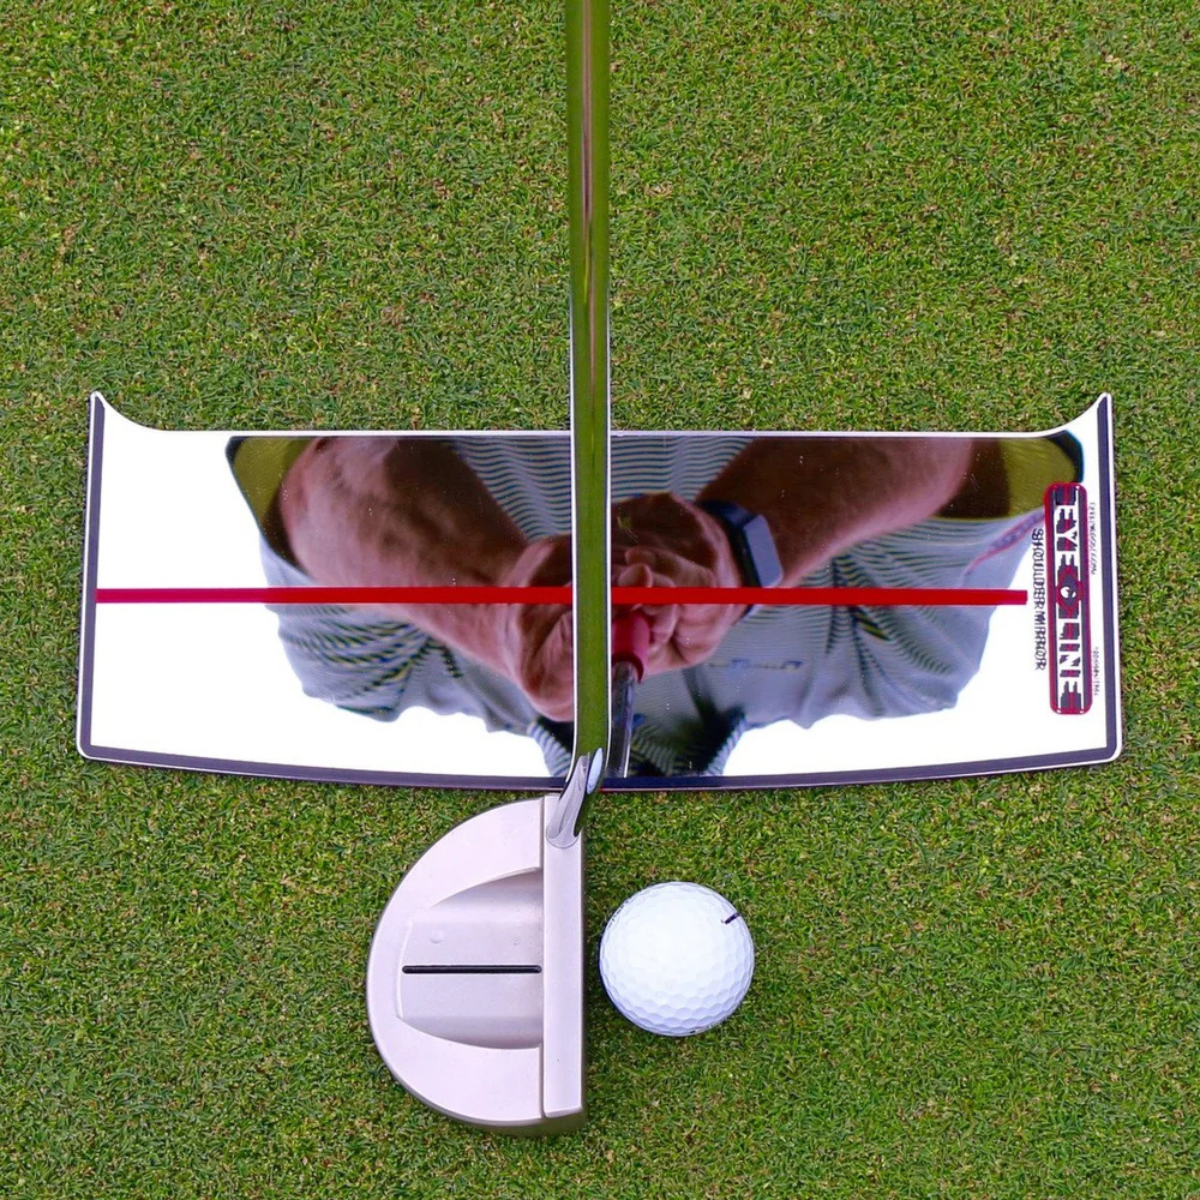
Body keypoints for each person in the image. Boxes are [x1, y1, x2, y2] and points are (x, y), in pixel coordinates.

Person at [228, 429, 1080, 777]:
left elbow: (316, 471)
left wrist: (492, 601)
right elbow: (961, 443)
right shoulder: (898, 672)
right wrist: (744, 549)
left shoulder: (368, 677)